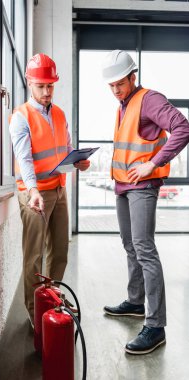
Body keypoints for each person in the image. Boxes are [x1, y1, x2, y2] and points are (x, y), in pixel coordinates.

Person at [102, 50, 189, 354]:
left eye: (120, 83)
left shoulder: (149, 99)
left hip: (142, 186)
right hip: (123, 186)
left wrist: (154, 163)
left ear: (132, 76)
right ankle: (136, 302)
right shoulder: (123, 105)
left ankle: (156, 326)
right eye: (111, 85)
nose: (115, 90)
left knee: (144, 249)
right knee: (130, 245)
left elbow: (183, 127)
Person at [9, 53, 90, 327]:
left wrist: (77, 160)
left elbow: (64, 150)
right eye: (41, 86)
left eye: (50, 86)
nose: (46, 92)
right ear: (30, 82)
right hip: (33, 195)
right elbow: (25, 160)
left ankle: (52, 298)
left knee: (59, 251)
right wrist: (33, 191)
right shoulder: (21, 117)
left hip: (58, 189)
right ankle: (35, 312)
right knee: (34, 256)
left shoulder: (59, 114)